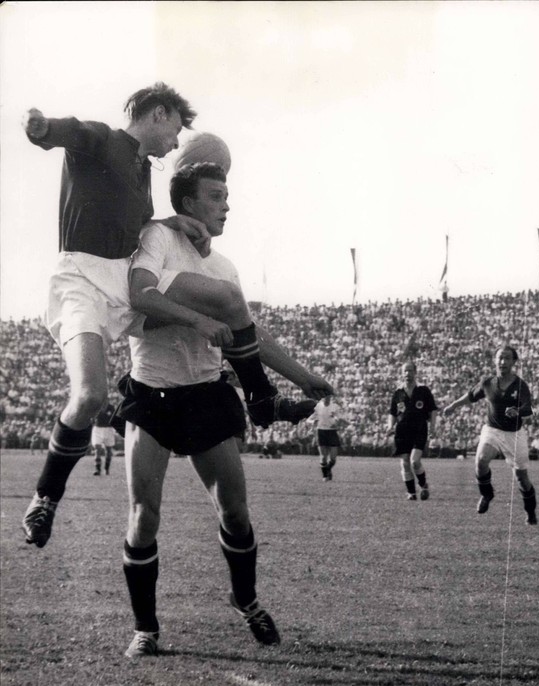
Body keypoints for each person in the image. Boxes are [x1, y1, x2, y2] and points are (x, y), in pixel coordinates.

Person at [22, 84, 310, 549]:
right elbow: (70, 133)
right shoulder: (104, 139)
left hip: (123, 286)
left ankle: (260, 397)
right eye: (176, 129)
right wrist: (42, 130)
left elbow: (133, 226)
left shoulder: (142, 171)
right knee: (90, 393)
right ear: (158, 114)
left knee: (222, 301)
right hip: (81, 281)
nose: (177, 143)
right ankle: (45, 497)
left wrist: (166, 223)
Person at [117, 161, 333, 656]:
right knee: (143, 515)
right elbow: (135, 308)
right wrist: (193, 321)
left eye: (227, 196)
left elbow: (247, 336)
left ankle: (245, 599)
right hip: (151, 395)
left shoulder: (224, 270)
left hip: (206, 394)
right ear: (188, 204)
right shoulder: (155, 241)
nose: (227, 205)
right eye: (216, 196)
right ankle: (145, 629)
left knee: (235, 513)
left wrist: (302, 376)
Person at [442, 346, 537, 525]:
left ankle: (530, 512)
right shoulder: (488, 382)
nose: (503, 362)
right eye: (500, 358)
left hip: (514, 435)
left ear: (513, 362)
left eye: (507, 358)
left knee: (522, 478)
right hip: (492, 430)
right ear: (495, 360)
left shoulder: (520, 385)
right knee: (481, 460)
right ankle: (487, 495)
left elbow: (529, 408)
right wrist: (454, 405)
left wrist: (517, 411)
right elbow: (471, 396)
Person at [388, 362, 438, 501]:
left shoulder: (423, 391)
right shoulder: (398, 393)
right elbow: (392, 413)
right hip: (402, 432)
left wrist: (433, 427)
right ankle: (411, 493)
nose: (407, 374)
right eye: (405, 371)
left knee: (414, 461)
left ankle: (423, 485)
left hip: (419, 430)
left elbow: (433, 410)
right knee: (405, 463)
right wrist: (390, 426)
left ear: (415, 373)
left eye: (410, 371)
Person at [312, 395, 343, 481]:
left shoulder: (335, 406)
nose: (326, 398)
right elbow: (311, 418)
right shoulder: (318, 406)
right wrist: (313, 423)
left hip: (332, 431)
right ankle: (325, 475)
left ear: (330, 397)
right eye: (324, 396)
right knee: (323, 456)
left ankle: (328, 469)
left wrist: (336, 421)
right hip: (321, 431)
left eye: (328, 396)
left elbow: (339, 417)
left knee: (333, 457)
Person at [91, 403, 117, 476]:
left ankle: (106, 469)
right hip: (97, 429)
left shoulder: (111, 407)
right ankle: (97, 469)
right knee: (97, 448)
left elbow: (114, 418)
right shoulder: (96, 406)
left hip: (109, 429)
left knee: (108, 450)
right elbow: (91, 418)